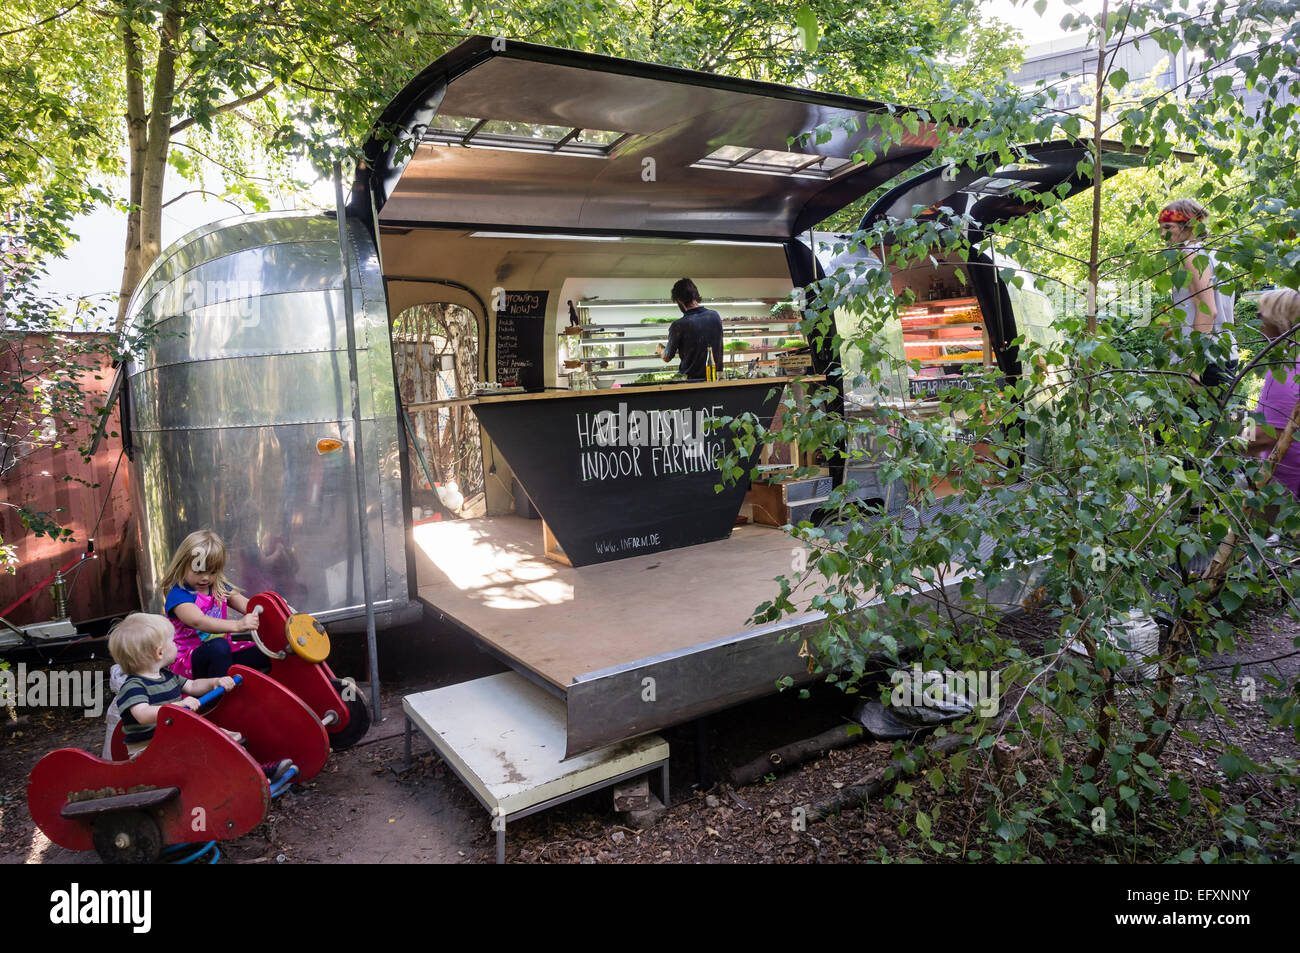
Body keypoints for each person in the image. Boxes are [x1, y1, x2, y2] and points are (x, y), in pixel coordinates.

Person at [108, 612, 294, 780]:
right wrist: (177, 708)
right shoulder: (134, 686)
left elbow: (194, 685)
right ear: (159, 652)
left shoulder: (168, 676)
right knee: (209, 745)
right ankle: (249, 776)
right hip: (150, 750)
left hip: (174, 739)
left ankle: (251, 773)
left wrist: (215, 682)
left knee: (227, 737)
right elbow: (142, 713)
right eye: (173, 642)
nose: (176, 645)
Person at [160, 529, 269, 680]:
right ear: (183, 564)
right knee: (219, 647)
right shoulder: (179, 595)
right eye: (198, 571)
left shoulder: (218, 587)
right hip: (191, 663)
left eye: (212, 572)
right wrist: (238, 625)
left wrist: (275, 609)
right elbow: (198, 621)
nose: (205, 578)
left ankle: (256, 689)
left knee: (265, 650)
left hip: (222, 657)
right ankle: (216, 700)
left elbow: (249, 606)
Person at [1159, 198, 1238, 389]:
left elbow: (1208, 310)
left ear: (1190, 226)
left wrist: (1193, 366)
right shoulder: (1215, 254)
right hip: (1225, 356)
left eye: (1168, 227)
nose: (1162, 234)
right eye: (1161, 228)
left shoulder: (1190, 254)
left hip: (1204, 363)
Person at [1246, 288, 1300, 501]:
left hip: (1283, 490)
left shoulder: (1283, 367)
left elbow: (1265, 435)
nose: (1256, 319)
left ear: (1279, 320)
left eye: (1260, 314)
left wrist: (1224, 444)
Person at [655, 278, 723, 380]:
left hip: (691, 385)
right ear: (696, 294)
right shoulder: (715, 316)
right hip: (716, 381)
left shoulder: (679, 325)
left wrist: (660, 349)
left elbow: (667, 357)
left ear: (680, 301)